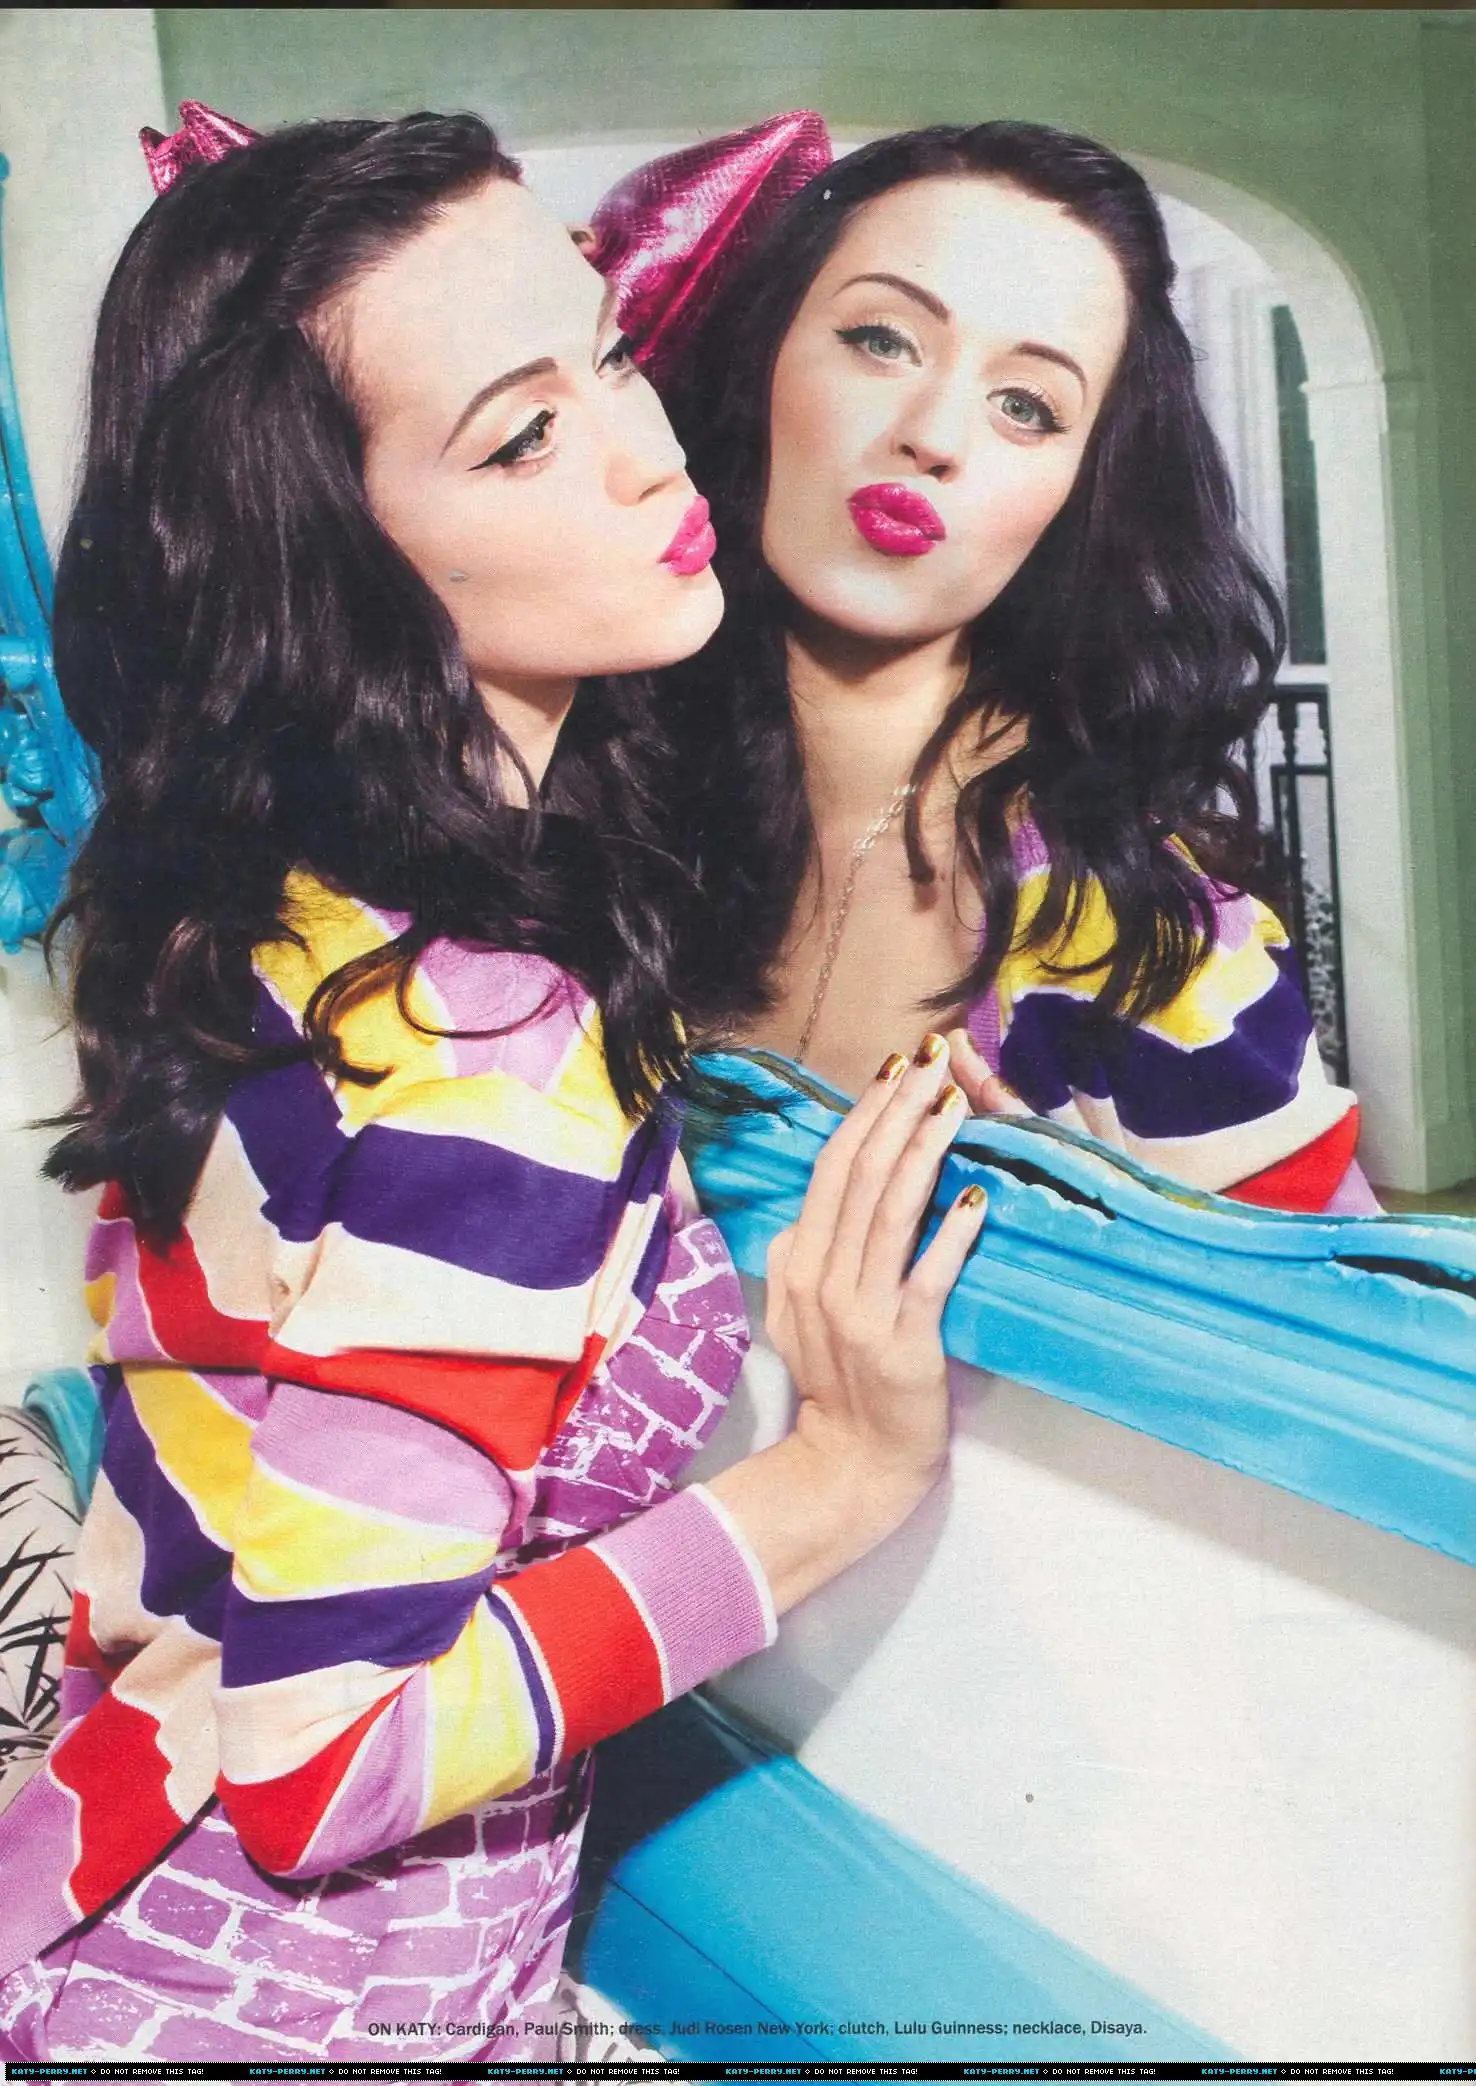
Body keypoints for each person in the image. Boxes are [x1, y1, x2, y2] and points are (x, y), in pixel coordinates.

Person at [0, 108, 989, 2063]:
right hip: (284, 2017)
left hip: (116, 1903)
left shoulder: (287, 915)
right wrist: (836, 1481)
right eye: (523, 433)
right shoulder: (480, 1053)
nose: (646, 451)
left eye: (608, 353)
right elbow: (327, 1756)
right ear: (342, 562)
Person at [648, 121, 1374, 1214]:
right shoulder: (601, 804)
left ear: (1079, 492)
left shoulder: (1143, 941)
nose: (934, 434)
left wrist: (1066, 1275)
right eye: (882, 339)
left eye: (1026, 406)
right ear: (762, 358)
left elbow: (1341, 1321)